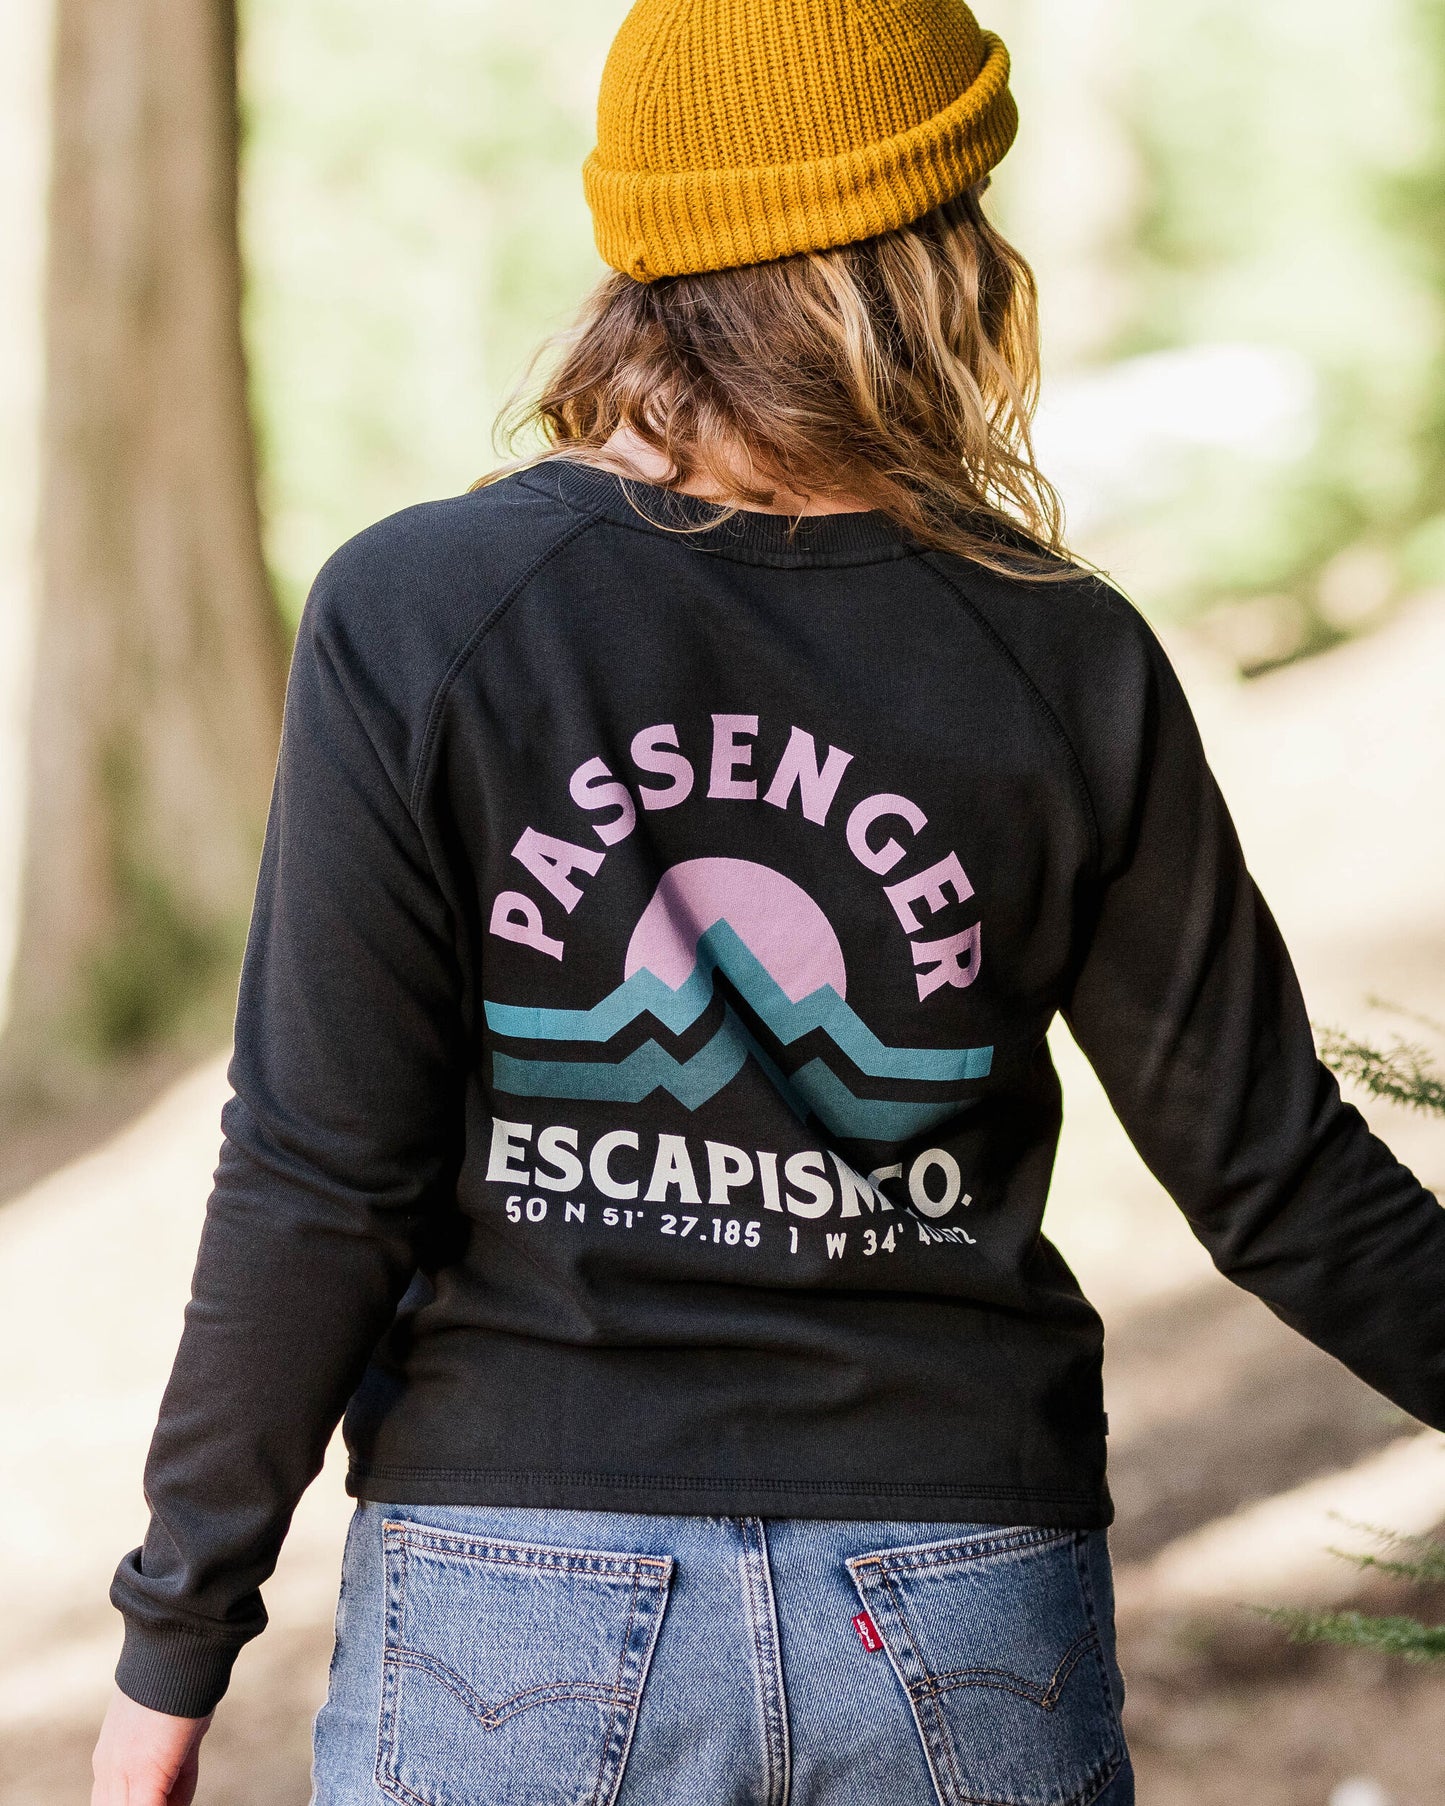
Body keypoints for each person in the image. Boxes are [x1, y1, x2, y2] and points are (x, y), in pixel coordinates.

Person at [91, 1, 1445, 1802]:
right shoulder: (1060, 652)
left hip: (516, 1585)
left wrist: (174, 1640)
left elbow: (322, 1168)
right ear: (939, 256)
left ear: (641, 259)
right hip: (960, 1583)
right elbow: (1273, 1170)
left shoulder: (422, 612)